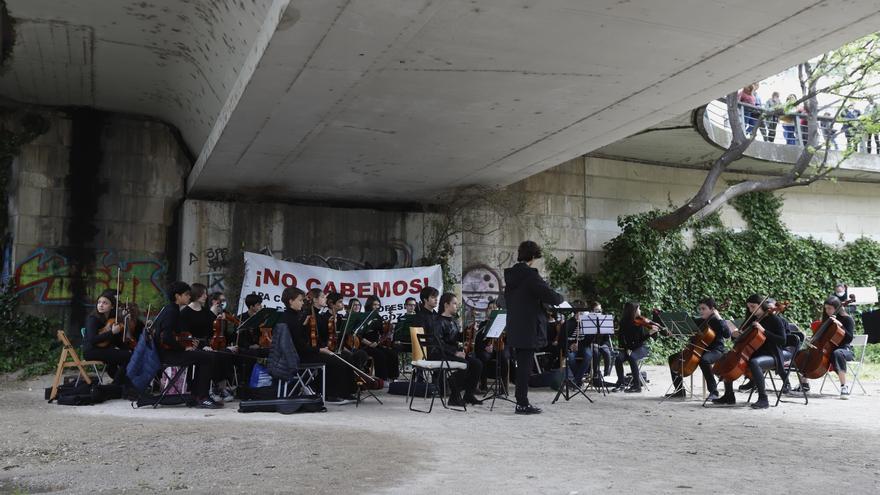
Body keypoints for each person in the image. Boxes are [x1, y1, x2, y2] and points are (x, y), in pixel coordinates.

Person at [504, 240, 564, 415]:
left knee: (522, 365)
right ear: (532, 256)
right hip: (529, 326)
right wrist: (560, 299)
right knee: (524, 366)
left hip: (515, 325)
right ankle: (522, 403)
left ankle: (521, 400)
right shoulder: (530, 276)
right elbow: (550, 295)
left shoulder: (512, 276)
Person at [279, 286, 358, 403]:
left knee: (344, 357)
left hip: (307, 351)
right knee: (336, 360)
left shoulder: (299, 315)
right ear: (291, 301)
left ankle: (346, 391)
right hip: (298, 355)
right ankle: (331, 394)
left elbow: (309, 337)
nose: (302, 303)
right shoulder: (293, 318)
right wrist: (319, 350)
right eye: (300, 300)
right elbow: (299, 344)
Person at [153, 281, 222, 409]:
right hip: (168, 355)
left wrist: (188, 342)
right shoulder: (172, 312)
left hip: (170, 352)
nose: (189, 297)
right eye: (186, 294)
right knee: (208, 358)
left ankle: (197, 394)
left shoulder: (171, 309)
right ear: (177, 296)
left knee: (205, 356)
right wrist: (184, 347)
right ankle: (202, 397)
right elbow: (166, 338)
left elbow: (175, 335)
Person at [712, 294, 787, 409]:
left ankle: (763, 399)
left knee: (754, 362)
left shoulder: (774, 319)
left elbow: (782, 341)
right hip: (753, 351)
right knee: (729, 359)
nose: (750, 309)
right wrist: (735, 335)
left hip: (771, 353)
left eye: (753, 306)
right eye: (749, 307)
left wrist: (764, 331)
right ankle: (729, 395)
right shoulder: (751, 318)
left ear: (761, 305)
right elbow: (740, 339)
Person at [665, 298, 730, 400]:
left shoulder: (718, 321)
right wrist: (674, 330)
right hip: (697, 348)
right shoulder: (699, 321)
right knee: (672, 358)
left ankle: (714, 392)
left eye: (703, 309)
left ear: (712, 309)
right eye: (699, 309)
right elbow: (685, 327)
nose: (701, 311)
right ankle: (679, 390)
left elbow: (727, 334)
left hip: (716, 350)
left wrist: (719, 317)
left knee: (704, 360)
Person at [426, 293, 484, 407]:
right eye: (454, 303)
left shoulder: (452, 321)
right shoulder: (438, 321)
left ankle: (468, 394)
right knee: (464, 364)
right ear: (446, 305)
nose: (457, 306)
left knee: (477, 364)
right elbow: (437, 343)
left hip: (451, 354)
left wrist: (469, 329)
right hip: (439, 354)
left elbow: (457, 337)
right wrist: (455, 352)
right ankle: (454, 396)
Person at [180, 283, 234, 402]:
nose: (206, 296)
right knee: (212, 356)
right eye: (203, 293)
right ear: (196, 294)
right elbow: (186, 336)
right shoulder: (185, 313)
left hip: (208, 344)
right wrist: (202, 346)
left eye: (205, 293)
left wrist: (221, 320)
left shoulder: (206, 312)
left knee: (225, 353)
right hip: (194, 345)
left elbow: (213, 331)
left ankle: (220, 387)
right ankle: (210, 389)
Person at [794, 297, 856, 398]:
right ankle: (804, 383)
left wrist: (841, 326)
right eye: (826, 308)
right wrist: (813, 339)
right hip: (828, 350)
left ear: (837, 308)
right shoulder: (827, 320)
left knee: (837, 353)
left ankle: (844, 386)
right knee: (803, 353)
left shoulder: (847, 319)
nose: (827, 311)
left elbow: (849, 339)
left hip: (845, 349)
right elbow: (822, 338)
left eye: (830, 308)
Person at [82, 290, 132, 387]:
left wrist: (127, 348)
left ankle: (122, 383)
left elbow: (116, 339)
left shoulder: (112, 319)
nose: (101, 305)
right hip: (91, 350)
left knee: (125, 355)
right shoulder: (93, 319)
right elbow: (93, 340)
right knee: (127, 357)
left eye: (105, 303)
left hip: (104, 349)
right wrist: (112, 332)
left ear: (112, 306)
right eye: (99, 302)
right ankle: (116, 386)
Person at [612, 301, 664, 393]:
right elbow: (621, 338)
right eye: (638, 308)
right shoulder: (623, 322)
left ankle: (637, 386)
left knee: (632, 357)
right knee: (618, 359)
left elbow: (640, 340)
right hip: (628, 347)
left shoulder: (639, 323)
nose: (640, 310)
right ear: (633, 311)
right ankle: (621, 383)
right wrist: (626, 349)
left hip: (641, 347)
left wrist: (649, 333)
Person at [360, 295, 400, 381]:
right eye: (374, 304)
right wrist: (369, 343)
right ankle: (382, 378)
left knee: (391, 353)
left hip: (375, 344)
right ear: (369, 305)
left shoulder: (378, 317)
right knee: (380, 354)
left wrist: (388, 329)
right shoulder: (363, 317)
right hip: (364, 345)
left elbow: (382, 334)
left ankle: (393, 377)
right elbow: (359, 336)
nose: (377, 307)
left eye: (378, 305)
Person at [563, 300, 592, 386]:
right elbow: (563, 339)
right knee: (570, 357)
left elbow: (589, 340)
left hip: (584, 346)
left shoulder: (587, 323)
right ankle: (578, 381)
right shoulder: (568, 323)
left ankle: (576, 380)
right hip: (571, 346)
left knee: (588, 356)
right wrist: (570, 345)